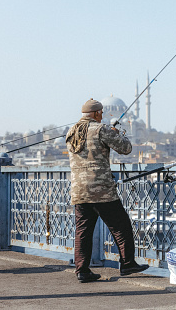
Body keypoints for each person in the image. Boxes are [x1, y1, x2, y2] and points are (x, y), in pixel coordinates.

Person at [66, 98, 149, 283]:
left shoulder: (71, 131)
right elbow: (125, 148)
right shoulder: (100, 129)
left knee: (83, 231)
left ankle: (82, 270)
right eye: (101, 113)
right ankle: (128, 264)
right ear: (95, 113)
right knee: (121, 226)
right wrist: (117, 133)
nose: (102, 115)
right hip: (101, 189)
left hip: (79, 190)